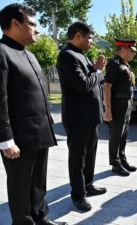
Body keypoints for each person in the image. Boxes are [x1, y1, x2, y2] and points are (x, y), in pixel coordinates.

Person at [0, 3, 68, 225]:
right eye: (32, 24)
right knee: (20, 186)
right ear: (14, 23)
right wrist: (5, 140)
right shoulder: (2, 52)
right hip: (18, 137)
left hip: (39, 132)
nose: (36, 30)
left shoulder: (29, 54)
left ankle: (41, 217)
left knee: (38, 181)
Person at [56, 21, 107, 212]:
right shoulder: (67, 56)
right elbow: (84, 85)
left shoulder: (81, 56)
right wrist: (99, 71)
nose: (91, 41)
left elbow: (89, 80)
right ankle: (78, 195)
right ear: (77, 35)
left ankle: (88, 185)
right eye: (89, 37)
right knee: (78, 157)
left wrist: (94, 69)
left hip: (91, 117)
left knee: (91, 153)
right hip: (78, 118)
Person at [103, 38, 137, 176]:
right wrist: (108, 110)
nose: (134, 54)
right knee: (115, 135)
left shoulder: (125, 64)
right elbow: (106, 87)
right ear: (123, 50)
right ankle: (115, 163)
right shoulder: (114, 64)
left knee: (123, 134)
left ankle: (122, 159)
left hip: (126, 104)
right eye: (131, 51)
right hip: (117, 105)